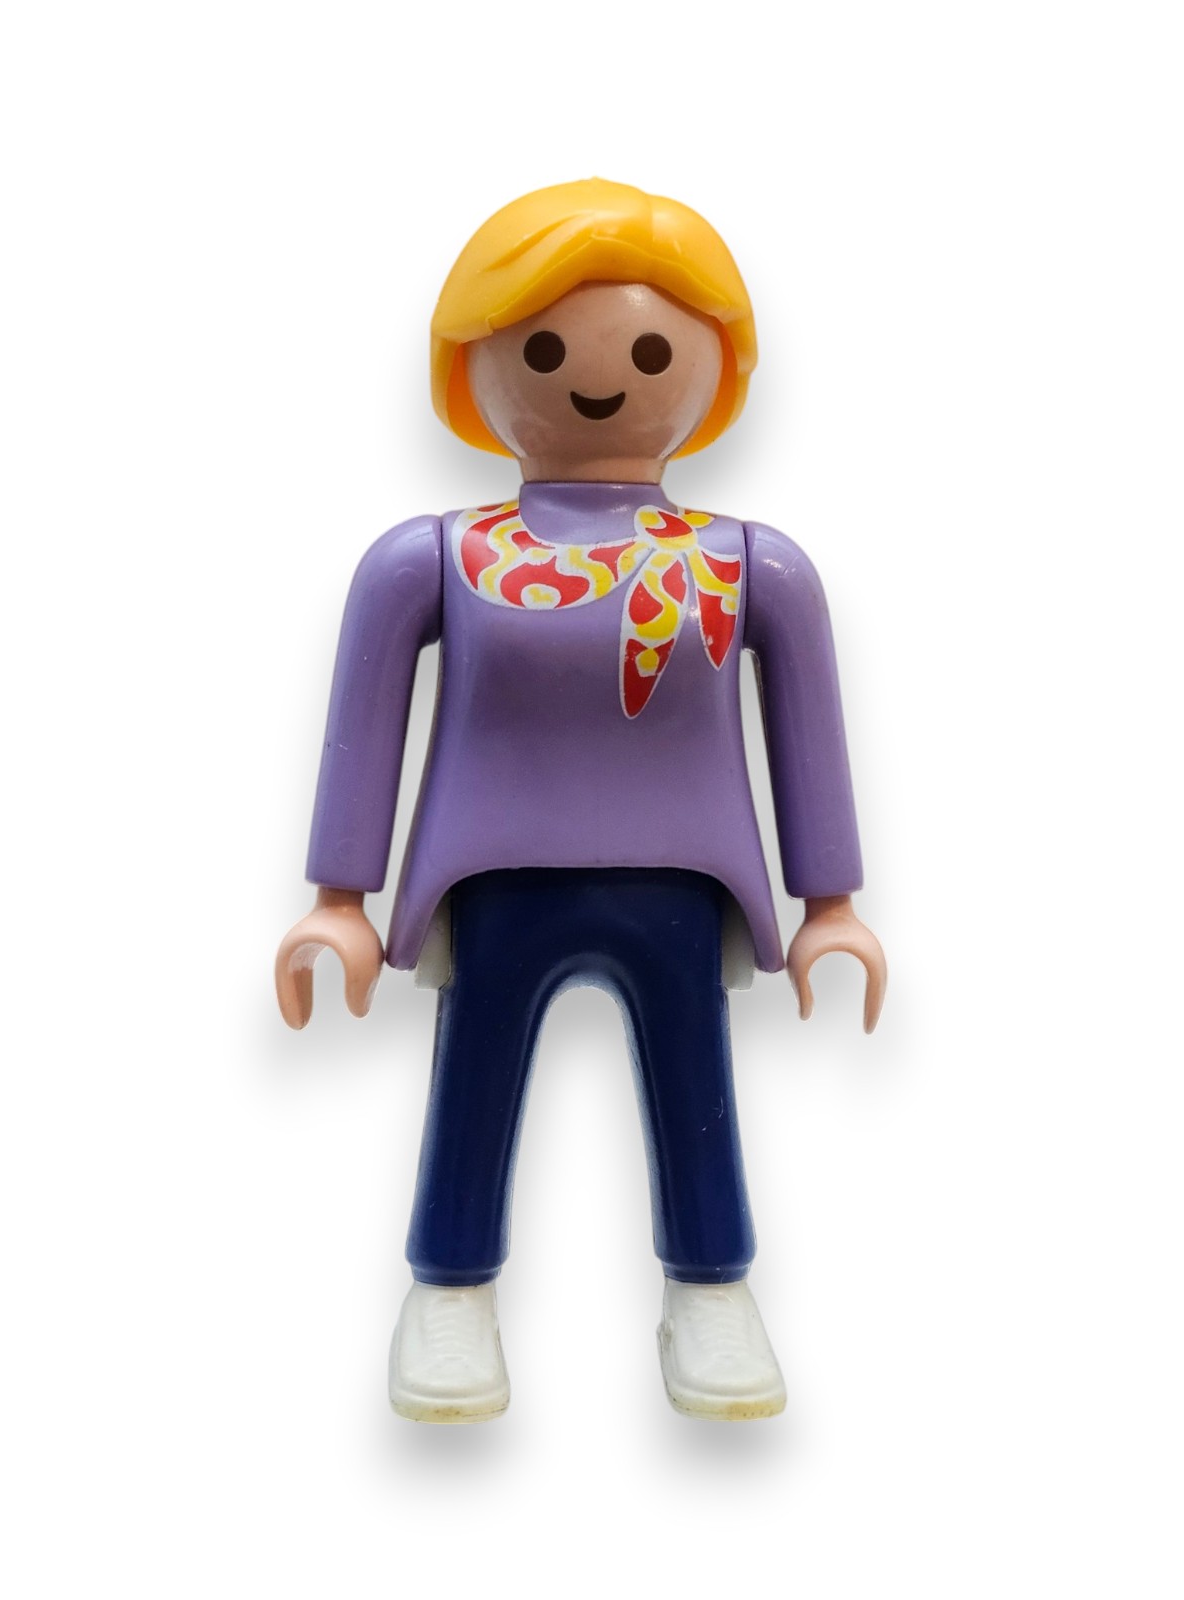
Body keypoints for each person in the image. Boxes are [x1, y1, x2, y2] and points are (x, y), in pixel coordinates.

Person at [274, 178, 886, 1423]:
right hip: (492, 876)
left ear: (715, 368)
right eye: (543, 351)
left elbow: (808, 729)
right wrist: (338, 897)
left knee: (695, 1082)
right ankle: (450, 1289)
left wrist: (831, 903)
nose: (601, 379)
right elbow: (365, 721)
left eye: (652, 352)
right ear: (473, 363)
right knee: (472, 1075)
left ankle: (711, 1288)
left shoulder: (746, 563)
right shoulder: (436, 557)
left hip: (683, 878)